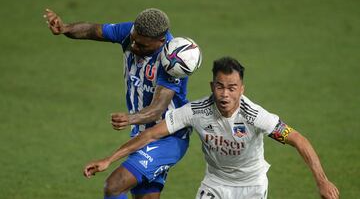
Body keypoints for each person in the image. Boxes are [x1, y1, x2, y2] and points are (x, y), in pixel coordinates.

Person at [83, 57, 340, 199]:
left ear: (242, 89)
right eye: (220, 86)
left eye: (232, 88)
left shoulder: (255, 115)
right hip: (215, 183)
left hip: (251, 186)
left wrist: (322, 180)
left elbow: (298, 139)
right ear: (211, 86)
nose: (225, 94)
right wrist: (109, 159)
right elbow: (150, 134)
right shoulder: (196, 111)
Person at [44, 8, 192, 199]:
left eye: (141, 45)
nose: (133, 46)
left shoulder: (172, 61)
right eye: (133, 39)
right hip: (142, 135)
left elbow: (157, 110)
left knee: (114, 186)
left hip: (168, 136)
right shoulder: (132, 33)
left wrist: (130, 118)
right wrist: (65, 28)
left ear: (160, 42)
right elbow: (92, 30)